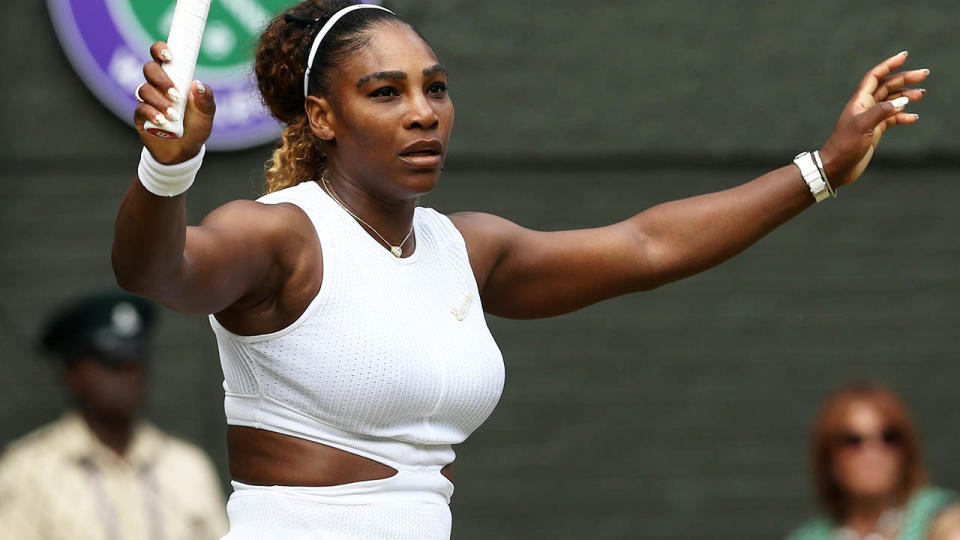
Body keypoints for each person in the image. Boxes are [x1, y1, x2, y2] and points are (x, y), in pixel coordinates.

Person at [112, 0, 931, 537]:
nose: (425, 111)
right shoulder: (279, 236)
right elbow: (158, 272)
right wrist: (167, 176)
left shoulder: (463, 249)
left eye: (435, 88)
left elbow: (646, 246)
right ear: (323, 116)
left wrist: (822, 166)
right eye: (387, 93)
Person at [0, 291, 229, 540]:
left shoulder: (186, 466)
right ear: (71, 374)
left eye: (135, 363)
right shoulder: (27, 471)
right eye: (112, 365)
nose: (129, 376)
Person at [786, 383, 955, 540]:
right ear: (830, 459)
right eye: (853, 440)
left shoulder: (937, 515)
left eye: (889, 437)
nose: (873, 452)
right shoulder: (811, 536)